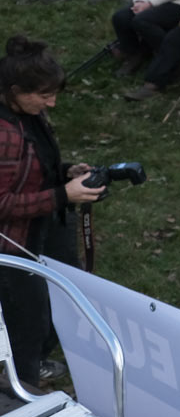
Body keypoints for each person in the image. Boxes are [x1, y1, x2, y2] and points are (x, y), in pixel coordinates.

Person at [0, 36, 108, 386]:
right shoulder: (3, 134)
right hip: (15, 243)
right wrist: (63, 195)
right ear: (16, 90)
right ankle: (22, 389)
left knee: (67, 293)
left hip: (47, 225)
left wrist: (64, 173)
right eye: (44, 96)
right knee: (26, 320)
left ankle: (36, 360)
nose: (52, 102)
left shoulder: (27, 114)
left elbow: (32, 167)